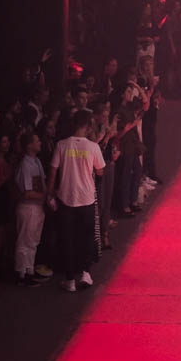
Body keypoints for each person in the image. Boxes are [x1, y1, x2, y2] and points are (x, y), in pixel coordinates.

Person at [46, 109, 104, 293]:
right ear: (88, 125)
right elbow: (100, 171)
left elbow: (53, 171)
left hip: (66, 198)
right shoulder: (93, 147)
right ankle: (85, 273)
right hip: (86, 198)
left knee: (67, 239)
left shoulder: (61, 145)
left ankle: (69, 279)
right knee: (86, 237)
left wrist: (49, 194)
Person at [13, 131, 47, 284]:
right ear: (29, 145)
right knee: (24, 241)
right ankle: (21, 273)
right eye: (37, 140)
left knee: (33, 240)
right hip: (28, 208)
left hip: (37, 206)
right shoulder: (25, 165)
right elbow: (27, 193)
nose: (40, 143)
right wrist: (45, 195)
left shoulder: (36, 161)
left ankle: (29, 270)